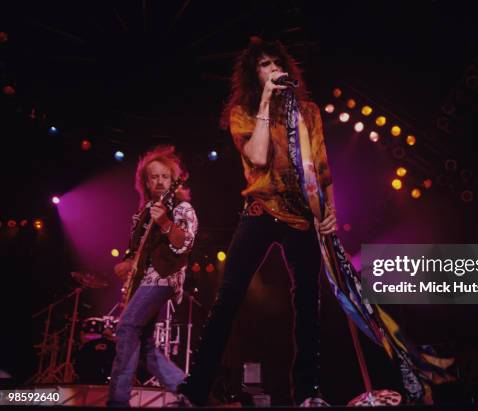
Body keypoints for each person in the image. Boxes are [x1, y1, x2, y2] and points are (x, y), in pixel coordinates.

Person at [178, 37, 337, 407]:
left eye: (274, 62)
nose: (271, 69)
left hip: (302, 215)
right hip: (261, 210)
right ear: (255, 74)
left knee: (308, 303)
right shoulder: (243, 112)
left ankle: (309, 392)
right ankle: (195, 388)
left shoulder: (308, 111)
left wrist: (330, 211)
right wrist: (266, 100)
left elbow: (323, 169)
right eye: (263, 65)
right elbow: (260, 156)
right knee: (228, 298)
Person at [107, 145, 198, 407]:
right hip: (142, 281)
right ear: (145, 182)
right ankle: (189, 390)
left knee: (126, 328)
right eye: (153, 177)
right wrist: (126, 263)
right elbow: (135, 250)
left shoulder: (182, 208)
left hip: (163, 278)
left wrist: (166, 224)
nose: (159, 181)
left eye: (164, 176)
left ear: (172, 180)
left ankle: (117, 400)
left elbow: (184, 244)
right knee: (144, 345)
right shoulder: (142, 213)